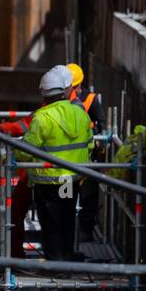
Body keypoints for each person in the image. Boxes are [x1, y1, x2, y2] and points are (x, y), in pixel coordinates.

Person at [19, 64, 93, 261]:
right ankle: (66, 257)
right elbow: (90, 143)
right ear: (65, 90)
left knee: (50, 222)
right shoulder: (80, 113)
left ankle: (55, 263)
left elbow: (26, 151)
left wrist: (12, 154)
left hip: (48, 184)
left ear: (44, 94)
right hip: (69, 180)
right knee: (67, 218)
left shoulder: (42, 118)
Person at [66, 64, 104, 245]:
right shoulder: (61, 101)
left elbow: (102, 126)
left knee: (88, 196)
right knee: (65, 196)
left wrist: (95, 136)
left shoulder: (91, 100)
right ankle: (65, 231)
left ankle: (85, 230)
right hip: (66, 160)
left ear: (78, 85)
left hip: (88, 159)